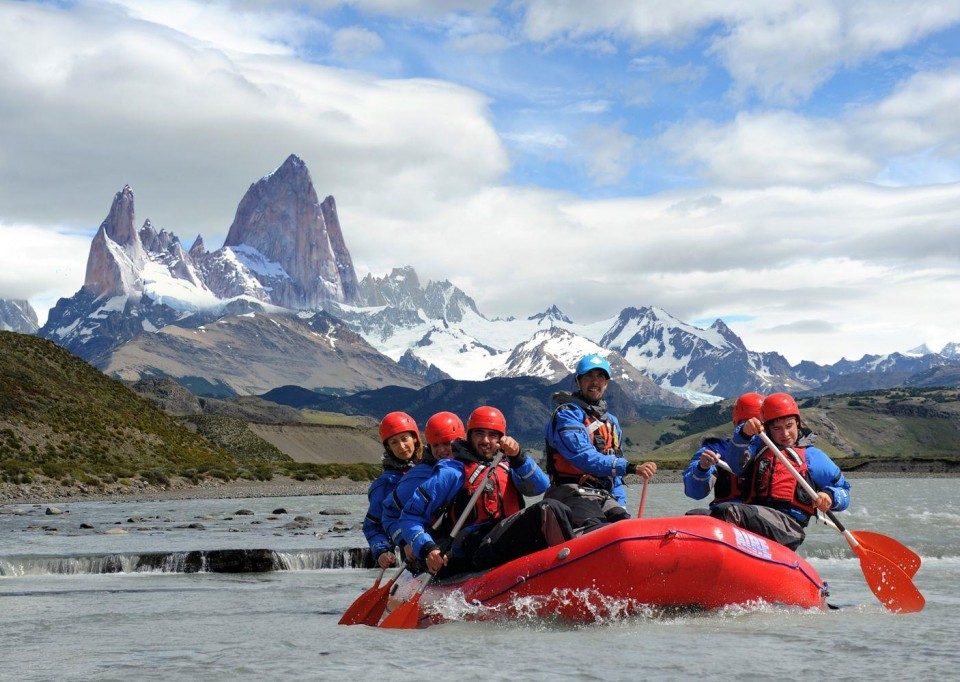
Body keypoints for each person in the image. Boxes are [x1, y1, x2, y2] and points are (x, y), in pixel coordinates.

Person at [399, 406, 576, 577]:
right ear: (469, 437)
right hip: (474, 548)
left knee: (562, 509)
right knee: (549, 510)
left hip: (505, 538)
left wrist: (519, 457)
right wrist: (427, 547)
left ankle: (565, 566)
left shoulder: (507, 465)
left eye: (492, 435)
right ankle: (572, 572)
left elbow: (541, 486)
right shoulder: (452, 471)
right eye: (479, 434)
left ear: (501, 439)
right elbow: (410, 517)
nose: (485, 440)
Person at [710, 392, 851, 550]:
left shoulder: (813, 456)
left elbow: (844, 490)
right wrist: (743, 434)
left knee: (728, 511)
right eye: (777, 428)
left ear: (797, 423)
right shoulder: (760, 449)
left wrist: (830, 496)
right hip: (757, 516)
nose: (785, 434)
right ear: (768, 429)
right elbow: (735, 465)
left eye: (789, 426)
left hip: (788, 526)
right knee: (699, 515)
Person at [543, 353, 656, 530]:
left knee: (625, 527)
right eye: (588, 376)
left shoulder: (611, 422)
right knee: (597, 529)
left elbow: (615, 475)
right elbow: (583, 456)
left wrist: (621, 503)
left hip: (603, 495)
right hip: (569, 491)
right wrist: (630, 467)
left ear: (606, 383)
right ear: (578, 381)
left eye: (600, 376)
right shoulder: (567, 414)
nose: (594, 381)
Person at [380, 411, 465, 567]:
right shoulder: (417, 477)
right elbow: (389, 514)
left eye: (447, 443)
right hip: (433, 546)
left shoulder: (472, 466)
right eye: (436, 445)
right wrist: (405, 542)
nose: (441, 450)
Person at [682, 392, 764, 514]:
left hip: (761, 516)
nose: (751, 428)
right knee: (694, 515)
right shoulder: (716, 448)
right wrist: (702, 468)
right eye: (746, 423)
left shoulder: (774, 450)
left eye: (759, 423)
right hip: (726, 514)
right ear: (736, 425)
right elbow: (694, 493)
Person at [363, 411, 421, 569]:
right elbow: (372, 525)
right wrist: (381, 550)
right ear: (388, 447)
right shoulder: (384, 484)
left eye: (404, 439)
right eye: (394, 442)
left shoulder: (433, 468)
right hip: (413, 552)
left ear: (415, 438)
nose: (402, 446)